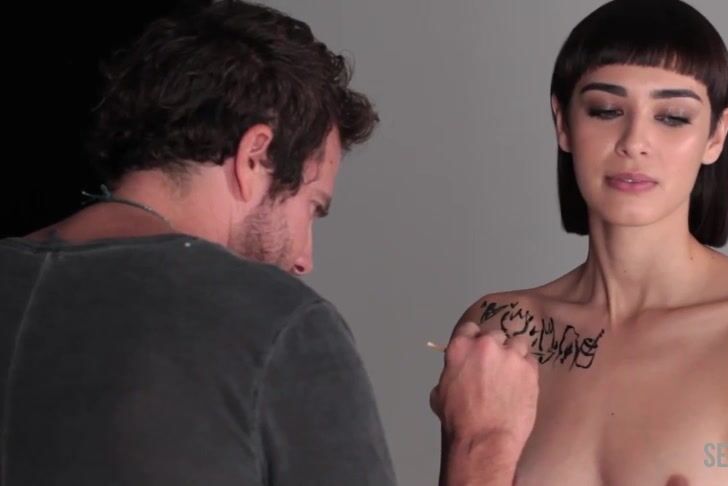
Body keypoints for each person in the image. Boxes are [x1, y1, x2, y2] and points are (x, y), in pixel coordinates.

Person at [0, 1, 538, 485]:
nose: (305, 258)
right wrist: (482, 442)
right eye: (313, 207)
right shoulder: (278, 322)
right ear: (255, 156)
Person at [438, 0, 728, 485]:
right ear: (563, 123)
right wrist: (479, 442)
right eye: (606, 110)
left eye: (672, 116)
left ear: (716, 136)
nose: (635, 141)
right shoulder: (498, 333)